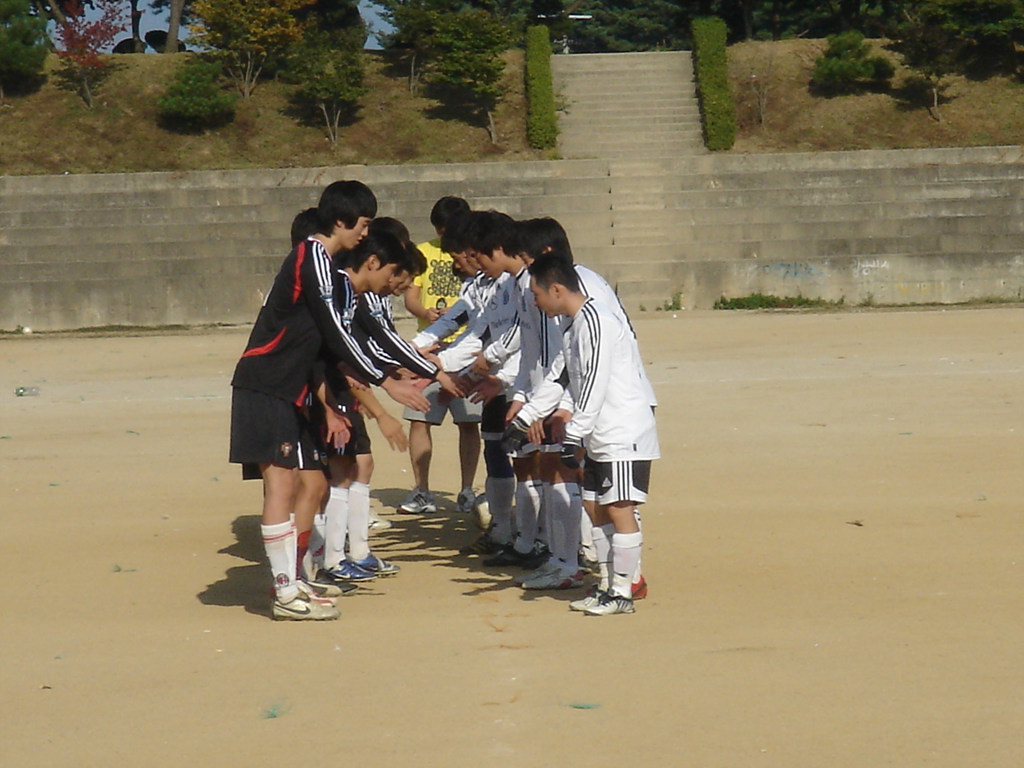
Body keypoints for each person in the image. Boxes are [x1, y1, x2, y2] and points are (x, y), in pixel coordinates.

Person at [228, 181, 427, 621]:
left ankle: (295, 580)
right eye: (364, 223)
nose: (364, 233)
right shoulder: (312, 257)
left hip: (292, 390)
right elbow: (336, 333)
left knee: (305, 484)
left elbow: (352, 336)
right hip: (267, 384)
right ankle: (285, 591)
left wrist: (413, 372)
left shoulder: (331, 268)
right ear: (341, 220)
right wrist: (384, 381)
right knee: (282, 485)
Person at [522, 253, 659, 615]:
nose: (534, 302)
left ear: (555, 289)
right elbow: (561, 378)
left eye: (536, 294)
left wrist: (572, 435)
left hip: (622, 431)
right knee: (595, 508)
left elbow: (595, 382)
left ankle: (623, 593)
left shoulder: (597, 321)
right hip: (598, 434)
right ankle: (606, 585)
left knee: (619, 508)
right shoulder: (574, 325)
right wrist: (524, 420)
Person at [400, 197, 481, 515]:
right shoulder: (423, 251)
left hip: (470, 354)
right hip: (430, 351)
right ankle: (421, 491)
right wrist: (428, 317)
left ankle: (466, 490)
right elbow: (412, 297)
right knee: (420, 419)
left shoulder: (480, 265)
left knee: (469, 422)